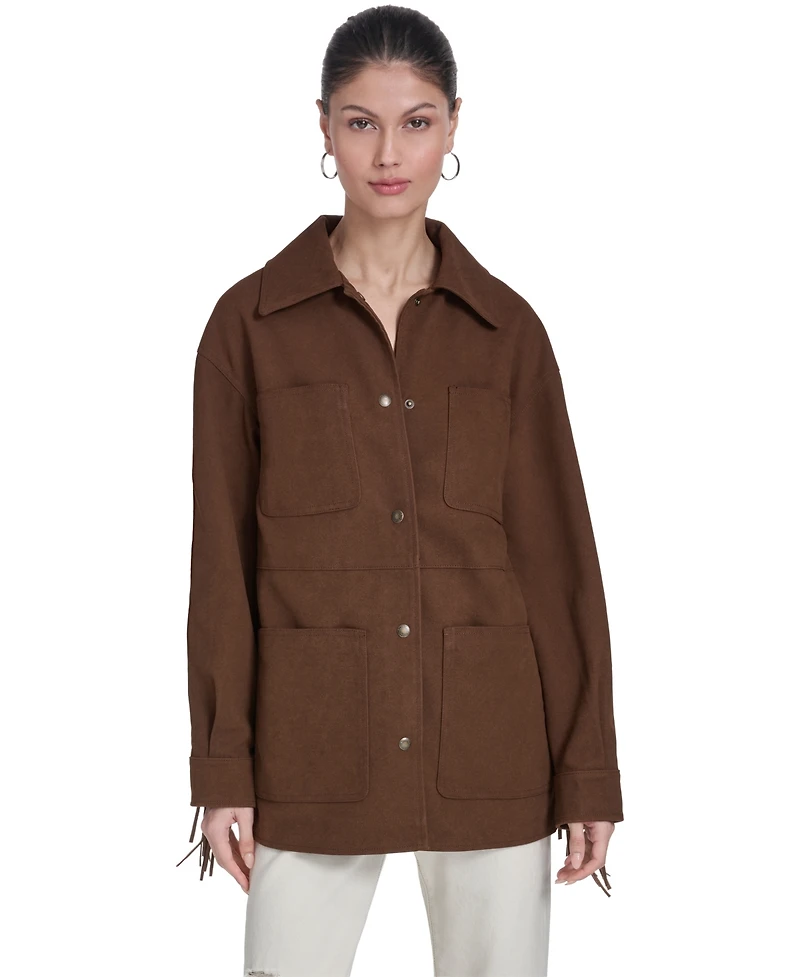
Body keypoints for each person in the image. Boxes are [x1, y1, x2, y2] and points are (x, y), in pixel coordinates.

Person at [176, 5, 624, 975]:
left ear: (454, 125)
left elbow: (557, 564)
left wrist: (585, 768)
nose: (388, 153)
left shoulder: (507, 333)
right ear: (323, 128)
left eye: (416, 122)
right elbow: (222, 565)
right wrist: (223, 765)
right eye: (361, 121)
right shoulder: (248, 327)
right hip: (312, 746)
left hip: (489, 746)